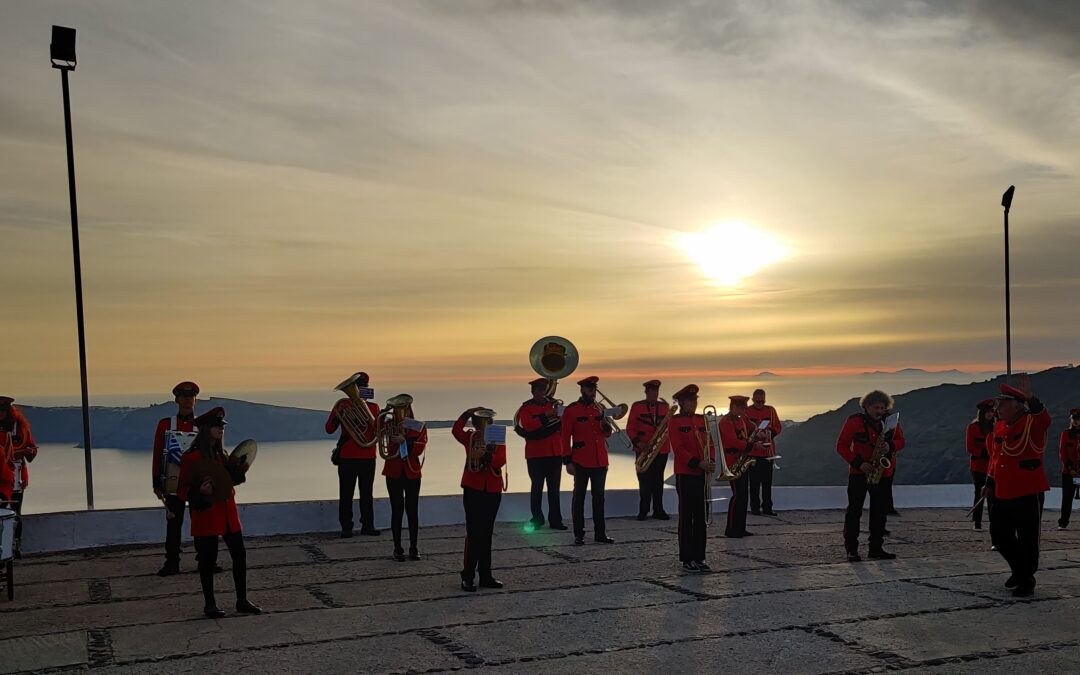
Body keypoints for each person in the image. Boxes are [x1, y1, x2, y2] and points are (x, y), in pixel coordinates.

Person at [176, 407, 260, 618]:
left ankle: (242, 599)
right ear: (206, 430)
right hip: (207, 514)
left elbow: (229, 481)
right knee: (207, 560)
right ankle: (210, 604)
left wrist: (239, 472)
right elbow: (181, 489)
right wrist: (198, 492)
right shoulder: (191, 458)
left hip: (228, 514)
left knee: (239, 555)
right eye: (216, 426)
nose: (221, 430)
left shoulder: (222, 455)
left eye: (222, 427)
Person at [985, 376, 1051, 597]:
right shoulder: (1002, 426)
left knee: (1027, 538)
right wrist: (989, 482)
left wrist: (1032, 400)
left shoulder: (1031, 423)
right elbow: (996, 457)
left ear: (1016, 406)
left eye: (1002, 404)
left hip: (1026, 489)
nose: (998, 408)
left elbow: (1044, 420)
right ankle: (1019, 569)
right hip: (1003, 488)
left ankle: (1026, 578)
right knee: (999, 535)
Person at [836, 390, 905, 562]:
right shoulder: (854, 421)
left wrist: (890, 445)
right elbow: (841, 446)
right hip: (859, 473)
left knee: (879, 513)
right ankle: (852, 549)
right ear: (866, 407)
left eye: (882, 407)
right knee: (854, 512)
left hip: (882, 474)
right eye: (876, 407)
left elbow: (901, 441)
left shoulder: (890, 422)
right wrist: (859, 463)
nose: (879, 411)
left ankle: (876, 548)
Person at [452, 406, 506, 592]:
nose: (485, 424)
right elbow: (456, 430)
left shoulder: (497, 437)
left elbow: (501, 460)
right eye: (481, 421)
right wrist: (467, 413)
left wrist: (485, 454)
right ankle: (467, 575)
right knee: (474, 533)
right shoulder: (470, 437)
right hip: (473, 487)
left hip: (492, 488)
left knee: (487, 533)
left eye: (487, 420)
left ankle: (485, 575)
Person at [151, 381, 200, 576]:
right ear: (177, 400)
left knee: (201, 522)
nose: (188, 400)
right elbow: (158, 452)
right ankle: (172, 562)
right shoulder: (165, 424)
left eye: (191, 397)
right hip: (173, 482)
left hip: (196, 482)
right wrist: (156, 480)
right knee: (173, 524)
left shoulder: (202, 424)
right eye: (184, 397)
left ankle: (205, 560)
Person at [327, 372, 382, 537]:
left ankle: (367, 526)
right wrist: (338, 417)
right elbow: (329, 429)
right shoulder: (342, 406)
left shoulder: (373, 408)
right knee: (346, 493)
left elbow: (377, 432)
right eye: (360, 387)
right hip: (349, 456)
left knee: (366, 493)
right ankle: (347, 527)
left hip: (366, 456)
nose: (362, 390)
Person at [562, 376, 615, 546]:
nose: (592, 391)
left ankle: (600, 533)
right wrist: (567, 461)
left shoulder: (600, 408)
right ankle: (579, 533)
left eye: (594, 388)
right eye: (589, 388)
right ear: (582, 389)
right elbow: (564, 437)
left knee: (599, 498)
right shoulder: (572, 410)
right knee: (579, 497)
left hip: (600, 459)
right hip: (581, 460)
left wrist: (606, 425)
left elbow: (606, 434)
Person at [667, 384, 714, 572]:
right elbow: (679, 449)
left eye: (695, 400)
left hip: (702, 474)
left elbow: (710, 443)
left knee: (701, 517)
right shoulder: (675, 422)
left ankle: (699, 557)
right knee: (687, 518)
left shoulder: (702, 420)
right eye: (690, 401)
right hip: (686, 474)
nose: (694, 403)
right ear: (681, 403)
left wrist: (710, 460)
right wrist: (698, 463)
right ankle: (687, 559)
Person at [514, 378, 566, 530]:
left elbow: (563, 425)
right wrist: (547, 415)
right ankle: (537, 519)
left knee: (554, 489)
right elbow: (529, 427)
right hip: (535, 454)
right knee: (536, 488)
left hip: (555, 452)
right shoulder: (526, 408)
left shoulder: (554, 404)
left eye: (544, 390)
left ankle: (556, 520)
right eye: (539, 390)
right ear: (533, 391)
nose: (542, 393)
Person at [381, 398, 427, 560]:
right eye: (398, 409)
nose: (401, 412)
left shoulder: (417, 426)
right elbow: (375, 431)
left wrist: (404, 441)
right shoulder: (388, 423)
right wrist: (383, 412)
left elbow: (420, 448)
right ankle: (397, 548)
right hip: (393, 471)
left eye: (404, 408)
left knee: (412, 511)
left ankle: (414, 547)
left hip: (411, 471)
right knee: (397, 510)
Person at [718, 395, 763, 538]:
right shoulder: (726, 421)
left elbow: (751, 427)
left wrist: (758, 432)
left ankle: (741, 527)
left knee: (744, 496)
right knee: (737, 495)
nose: (745, 410)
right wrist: (751, 445)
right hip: (733, 461)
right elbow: (732, 441)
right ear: (734, 407)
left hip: (743, 459)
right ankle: (731, 528)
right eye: (743, 408)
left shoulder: (741, 419)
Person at [627, 379, 672, 521]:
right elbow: (630, 428)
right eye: (652, 391)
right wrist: (638, 443)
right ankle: (643, 510)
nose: (654, 393)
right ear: (646, 392)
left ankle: (658, 510)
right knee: (644, 481)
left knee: (658, 481)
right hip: (643, 449)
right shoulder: (637, 407)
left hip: (661, 449)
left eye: (656, 391)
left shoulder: (665, 407)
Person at [0, 397, 37, 559]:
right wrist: (16, 453)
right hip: (2, 475)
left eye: (3, 411)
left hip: (16, 476)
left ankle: (15, 546)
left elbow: (31, 445)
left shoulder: (20, 427)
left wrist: (29, 452)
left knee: (15, 513)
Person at [744, 389, 782, 516]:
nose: (760, 403)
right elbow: (743, 429)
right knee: (754, 482)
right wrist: (755, 434)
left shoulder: (771, 410)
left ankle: (767, 507)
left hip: (768, 452)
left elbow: (778, 426)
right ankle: (755, 508)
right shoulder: (747, 411)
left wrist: (770, 432)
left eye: (762, 401)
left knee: (767, 482)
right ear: (753, 400)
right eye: (757, 401)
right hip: (753, 452)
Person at [966, 399, 995, 530]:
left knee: (992, 494)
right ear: (982, 413)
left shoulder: (996, 427)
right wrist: (981, 452)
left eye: (992, 411)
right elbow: (970, 447)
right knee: (979, 492)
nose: (990, 414)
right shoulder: (973, 427)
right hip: (978, 465)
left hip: (992, 466)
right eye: (987, 412)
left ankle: (994, 521)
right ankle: (977, 521)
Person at [1058, 408, 1080, 530]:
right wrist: (1070, 468)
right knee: (1067, 498)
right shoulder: (1065, 434)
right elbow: (1062, 453)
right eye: (1074, 419)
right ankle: (1063, 522)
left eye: (1078, 419)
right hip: (1069, 473)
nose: (1076, 421)